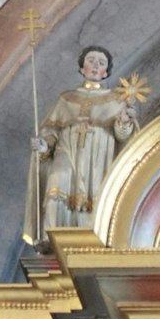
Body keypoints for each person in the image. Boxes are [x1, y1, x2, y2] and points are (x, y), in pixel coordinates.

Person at [24, 45, 142, 242]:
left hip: (99, 159)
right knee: (58, 178)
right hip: (67, 151)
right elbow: (51, 130)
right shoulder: (66, 99)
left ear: (106, 72)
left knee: (95, 192)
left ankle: (93, 235)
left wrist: (124, 122)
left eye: (101, 63)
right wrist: (45, 146)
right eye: (91, 61)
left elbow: (124, 139)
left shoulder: (116, 100)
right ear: (81, 68)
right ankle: (53, 236)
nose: (95, 66)